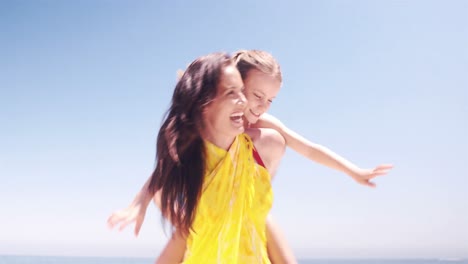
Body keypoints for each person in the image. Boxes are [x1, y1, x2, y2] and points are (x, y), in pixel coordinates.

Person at [108, 50, 393, 263]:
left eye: (270, 100)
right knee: (187, 225)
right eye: (256, 95)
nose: (261, 106)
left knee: (272, 149)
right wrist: (138, 205)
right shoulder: (203, 130)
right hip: (200, 204)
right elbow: (162, 172)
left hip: (245, 204)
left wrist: (353, 171)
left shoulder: (262, 128)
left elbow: (308, 148)